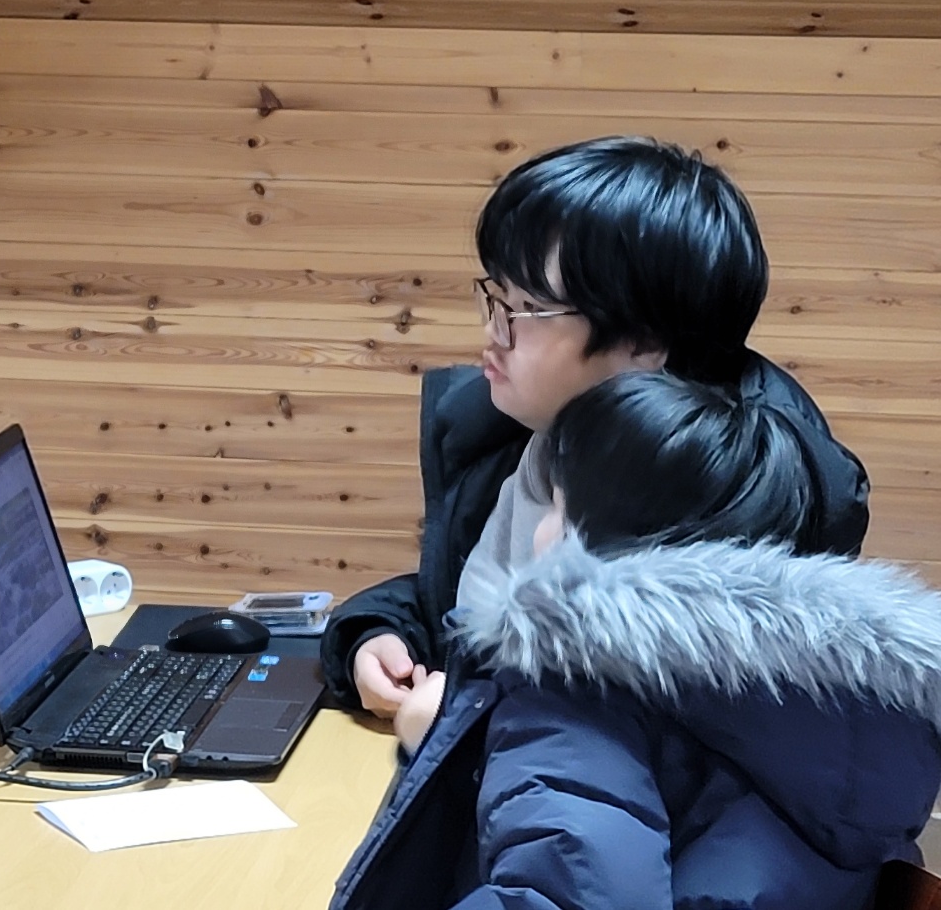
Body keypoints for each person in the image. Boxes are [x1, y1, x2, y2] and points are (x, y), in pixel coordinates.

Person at [332, 371, 941, 910]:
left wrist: (453, 742)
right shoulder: (836, 702)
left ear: (593, 541)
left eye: (555, 503)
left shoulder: (574, 695)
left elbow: (567, 882)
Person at [320, 135, 870, 718]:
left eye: (526, 309)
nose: (493, 332)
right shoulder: (527, 434)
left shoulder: (723, 519)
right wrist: (378, 633)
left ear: (644, 343)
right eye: (496, 297)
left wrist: (465, 721)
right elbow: (457, 597)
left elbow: (647, 744)